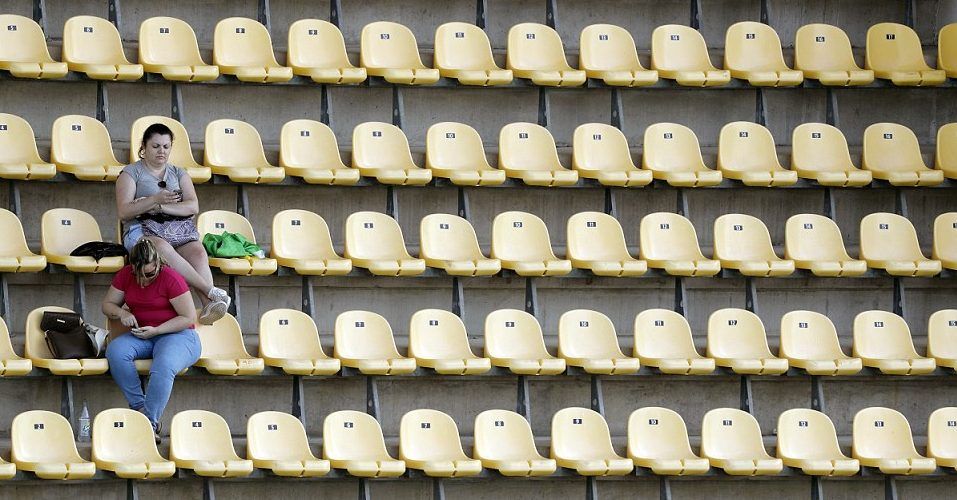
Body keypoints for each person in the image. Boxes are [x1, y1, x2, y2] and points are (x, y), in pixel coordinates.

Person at [116, 123, 229, 324]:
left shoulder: (179, 172)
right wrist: (154, 199)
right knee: (161, 247)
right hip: (141, 231)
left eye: (166, 147)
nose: (162, 151)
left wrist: (161, 207)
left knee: (198, 251)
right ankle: (210, 291)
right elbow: (124, 211)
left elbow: (192, 206)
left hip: (177, 229)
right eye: (156, 146)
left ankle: (208, 305)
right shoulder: (131, 173)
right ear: (144, 146)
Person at [103, 239, 201, 442]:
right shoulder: (126, 275)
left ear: (157, 263)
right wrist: (121, 313)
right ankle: (139, 408)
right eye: (139, 275)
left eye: (149, 274)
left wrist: (157, 330)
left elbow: (188, 318)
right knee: (116, 351)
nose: (144, 280)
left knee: (164, 365)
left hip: (178, 334)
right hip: (145, 333)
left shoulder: (170, 277)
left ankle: (149, 422)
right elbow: (108, 305)